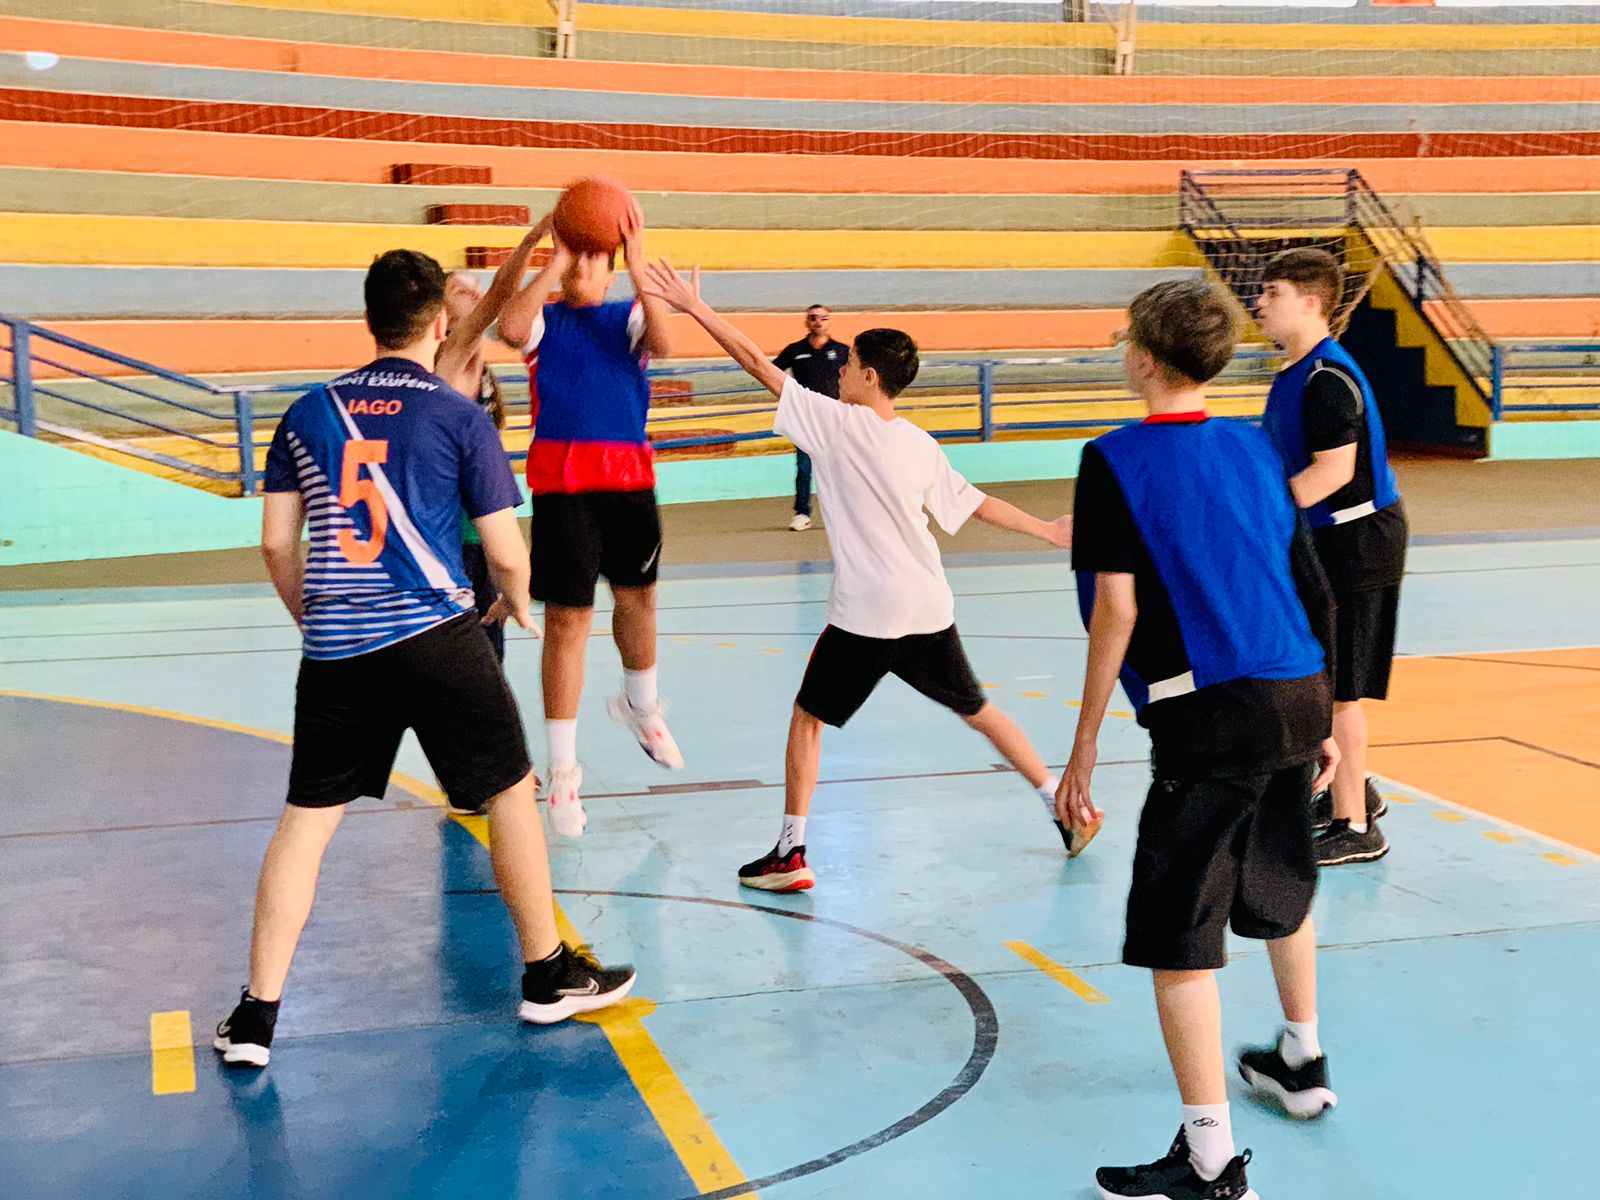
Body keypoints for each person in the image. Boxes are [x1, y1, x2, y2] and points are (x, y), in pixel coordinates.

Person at [213, 250, 635, 1070]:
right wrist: (515, 598)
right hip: (438, 637)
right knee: (510, 792)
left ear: (368, 320)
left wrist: (316, 614)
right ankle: (547, 975)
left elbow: (274, 542)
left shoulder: (306, 413)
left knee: (306, 824)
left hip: (338, 649)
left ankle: (256, 1017)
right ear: (440, 321)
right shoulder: (456, 413)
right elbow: (508, 553)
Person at [642, 259, 1096, 891]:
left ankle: (791, 854)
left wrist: (697, 309)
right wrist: (1049, 530)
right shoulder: (918, 443)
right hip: (928, 609)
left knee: (808, 719)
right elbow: (979, 504)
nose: (841, 371)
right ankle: (1065, 808)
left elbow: (754, 362)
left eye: (850, 364)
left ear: (869, 377)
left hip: (867, 615)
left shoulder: (833, 423)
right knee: (981, 710)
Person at [1059, 281, 1341, 1200]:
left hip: (1211, 713)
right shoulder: (1255, 444)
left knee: (1178, 937)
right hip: (1296, 688)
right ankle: (1301, 1059)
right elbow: (1309, 580)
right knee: (1279, 883)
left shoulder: (1113, 458)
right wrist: (1328, 712)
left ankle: (1213, 1164)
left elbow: (1116, 609)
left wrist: (1084, 744)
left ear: (1142, 355)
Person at [496, 207, 682, 840]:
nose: (580, 266)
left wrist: (635, 260)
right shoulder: (544, 324)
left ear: (611, 270)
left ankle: (641, 704)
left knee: (640, 600)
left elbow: (665, 342)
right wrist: (553, 256)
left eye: (591, 257)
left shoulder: (626, 316)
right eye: (575, 254)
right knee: (567, 621)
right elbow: (509, 324)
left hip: (629, 483)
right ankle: (564, 768)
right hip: (563, 489)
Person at [1256, 247, 1408, 867]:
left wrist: (1256, 520)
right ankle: (1355, 787)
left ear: (1311, 302)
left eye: (1273, 292)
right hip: (1325, 539)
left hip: (1357, 542)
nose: (1259, 303)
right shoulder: (1294, 373)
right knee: (1322, 677)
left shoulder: (1327, 379)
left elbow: (1332, 473)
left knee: (1341, 690)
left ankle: (1356, 824)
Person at [773, 304, 847, 531]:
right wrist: (789, 398)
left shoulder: (843, 351)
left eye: (824, 318)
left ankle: (841, 514)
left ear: (830, 321)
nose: (818, 322)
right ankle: (802, 513)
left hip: (836, 418)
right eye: (813, 318)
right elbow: (773, 372)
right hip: (805, 420)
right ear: (807, 322)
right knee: (804, 467)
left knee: (839, 467)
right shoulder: (795, 350)